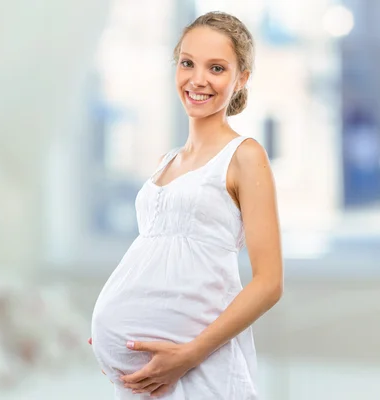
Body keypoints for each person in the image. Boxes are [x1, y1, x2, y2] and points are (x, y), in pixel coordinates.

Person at [89, 11, 283, 399]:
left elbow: (269, 283)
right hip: (146, 378)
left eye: (216, 68)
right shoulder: (168, 160)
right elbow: (157, 254)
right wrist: (116, 325)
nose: (198, 79)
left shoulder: (244, 156)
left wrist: (189, 354)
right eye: (188, 63)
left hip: (198, 367)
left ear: (241, 78)